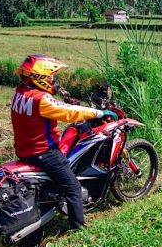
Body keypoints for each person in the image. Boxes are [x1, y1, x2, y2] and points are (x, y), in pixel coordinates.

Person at [11, 54, 117, 230]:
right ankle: (78, 228)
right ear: (39, 77)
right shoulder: (41, 99)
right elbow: (68, 112)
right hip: (44, 152)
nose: (52, 80)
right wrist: (99, 113)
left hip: (24, 149)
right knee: (73, 187)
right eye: (50, 76)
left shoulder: (19, 93)